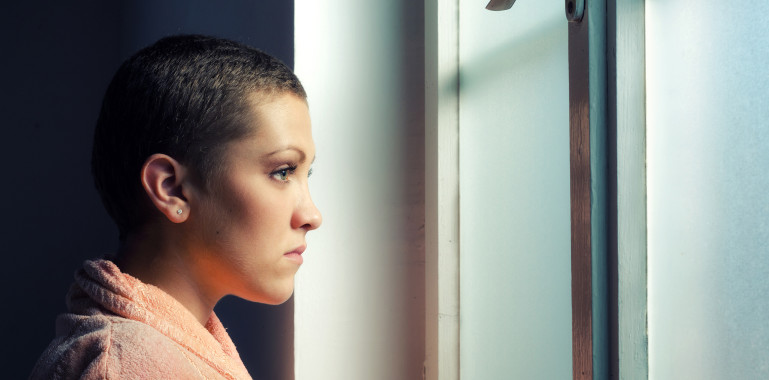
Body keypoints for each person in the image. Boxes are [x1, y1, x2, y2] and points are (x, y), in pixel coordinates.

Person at [30, 34, 322, 379]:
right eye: (282, 171)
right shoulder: (119, 368)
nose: (312, 216)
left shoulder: (161, 353)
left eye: (307, 173)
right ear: (171, 188)